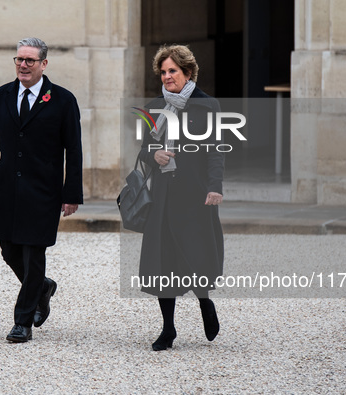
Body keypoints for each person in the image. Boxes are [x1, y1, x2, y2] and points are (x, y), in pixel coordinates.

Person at [0, 37, 83, 343]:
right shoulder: (1, 97)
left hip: (44, 191)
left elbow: (73, 150)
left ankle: (22, 323)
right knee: (8, 249)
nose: (22, 65)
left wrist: (71, 193)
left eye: (29, 61)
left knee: (33, 253)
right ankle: (43, 287)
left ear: (43, 64)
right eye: (19, 60)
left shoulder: (62, 100)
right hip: (9, 187)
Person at [138, 44, 224, 351]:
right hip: (163, 194)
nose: (167, 77)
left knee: (196, 253)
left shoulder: (207, 105)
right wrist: (154, 154)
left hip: (195, 192)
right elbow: (144, 148)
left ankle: (205, 303)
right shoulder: (153, 105)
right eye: (163, 72)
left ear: (188, 72)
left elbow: (215, 150)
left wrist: (215, 187)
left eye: (172, 70)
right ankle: (168, 328)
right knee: (164, 259)